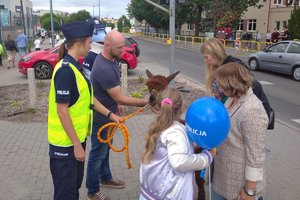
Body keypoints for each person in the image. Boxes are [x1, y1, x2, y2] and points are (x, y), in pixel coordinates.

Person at [47, 21, 120, 200]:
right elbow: (62, 111)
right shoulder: (66, 70)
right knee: (66, 193)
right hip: (65, 146)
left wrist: (111, 115)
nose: (90, 47)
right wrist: (77, 146)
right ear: (79, 43)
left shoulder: (76, 67)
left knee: (73, 188)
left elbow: (89, 99)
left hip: (75, 141)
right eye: (89, 42)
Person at [86, 30, 149, 200]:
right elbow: (119, 95)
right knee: (98, 154)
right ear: (107, 45)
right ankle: (92, 191)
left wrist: (117, 104)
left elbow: (115, 95)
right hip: (102, 118)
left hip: (110, 114)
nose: (124, 50)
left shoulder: (110, 59)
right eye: (120, 47)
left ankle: (105, 177)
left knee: (105, 150)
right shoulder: (104, 68)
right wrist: (145, 102)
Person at [139, 88, 214, 200]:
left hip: (151, 192)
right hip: (169, 194)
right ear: (182, 107)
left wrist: (192, 146)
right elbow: (179, 162)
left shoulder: (160, 125)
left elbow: (169, 151)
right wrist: (206, 157)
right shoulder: (176, 131)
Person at [212, 62, 268, 200]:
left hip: (239, 185)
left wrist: (249, 191)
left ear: (231, 84)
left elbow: (255, 155)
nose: (218, 87)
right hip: (223, 177)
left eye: (221, 84)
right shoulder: (231, 99)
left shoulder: (252, 109)